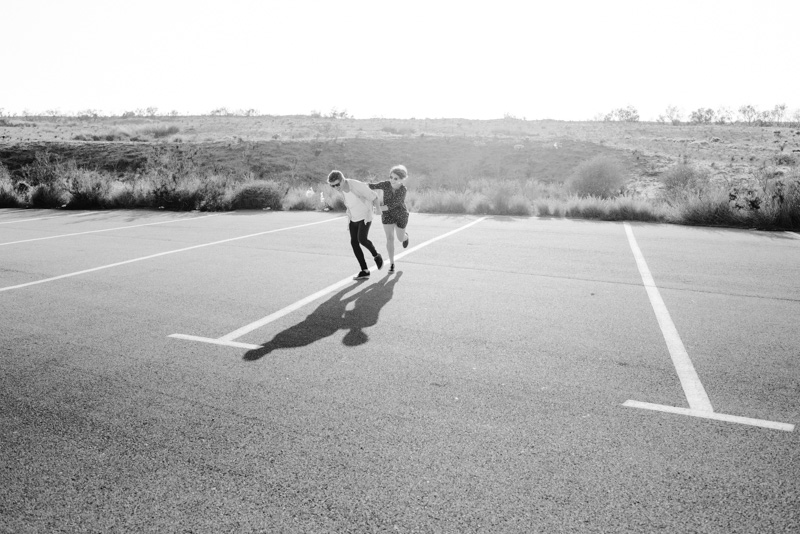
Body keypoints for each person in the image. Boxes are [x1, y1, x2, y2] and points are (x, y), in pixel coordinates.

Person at [327, 170, 384, 280]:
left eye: (337, 184)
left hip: (365, 215)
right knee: (354, 242)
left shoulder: (357, 185)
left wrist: (378, 209)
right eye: (332, 186)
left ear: (343, 180)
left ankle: (376, 255)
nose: (336, 188)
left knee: (362, 239)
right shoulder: (341, 189)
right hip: (353, 217)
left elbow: (374, 196)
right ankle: (364, 270)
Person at [368, 164, 410, 273]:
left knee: (400, 238)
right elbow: (371, 186)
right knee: (390, 238)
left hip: (400, 214)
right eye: (391, 177)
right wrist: (355, 185)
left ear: (402, 179)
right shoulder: (386, 184)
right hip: (387, 215)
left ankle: (405, 237)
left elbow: (393, 204)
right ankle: (392, 263)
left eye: (395, 178)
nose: (392, 180)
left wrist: (378, 208)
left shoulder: (403, 190)